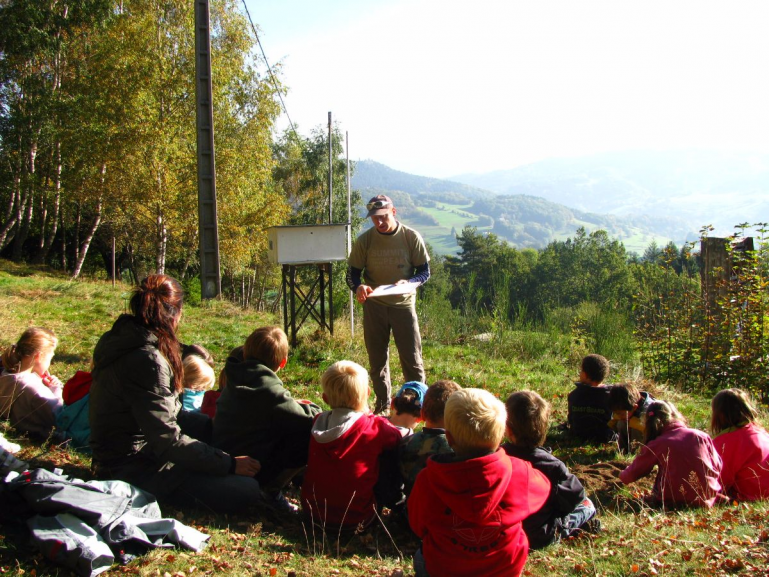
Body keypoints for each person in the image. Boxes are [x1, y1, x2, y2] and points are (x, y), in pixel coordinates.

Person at [89, 274, 262, 514]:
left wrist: (221, 428)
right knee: (247, 489)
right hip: (130, 466)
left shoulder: (124, 338)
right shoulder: (148, 361)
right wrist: (229, 464)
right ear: (175, 313)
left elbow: (169, 413)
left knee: (215, 430)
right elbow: (167, 440)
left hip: (133, 451)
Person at [408, 389, 550, 577]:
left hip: (445, 569)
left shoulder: (428, 480)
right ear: (501, 435)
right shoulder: (520, 471)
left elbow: (418, 525)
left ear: (448, 438)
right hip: (504, 568)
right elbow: (543, 488)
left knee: (420, 555)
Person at [213, 327, 321, 512]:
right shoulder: (269, 389)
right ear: (283, 362)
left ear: (245, 352)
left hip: (223, 454)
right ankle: (270, 491)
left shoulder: (235, 375)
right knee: (306, 434)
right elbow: (308, 418)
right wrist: (312, 407)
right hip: (249, 465)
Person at [346, 194, 431, 413]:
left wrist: (409, 282)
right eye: (375, 218)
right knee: (377, 360)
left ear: (393, 212)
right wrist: (359, 287)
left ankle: (416, 407)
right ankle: (383, 407)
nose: (379, 222)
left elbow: (424, 272)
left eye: (383, 217)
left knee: (412, 359)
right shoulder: (364, 241)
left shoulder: (411, 237)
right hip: (374, 307)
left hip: (403, 306)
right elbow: (352, 274)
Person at [301, 360, 404, 532]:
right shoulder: (374, 427)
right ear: (368, 394)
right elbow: (397, 438)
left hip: (313, 515)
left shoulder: (317, 422)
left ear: (325, 398)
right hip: (358, 519)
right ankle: (399, 505)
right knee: (388, 455)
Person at [503, 390, 599, 550]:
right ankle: (569, 530)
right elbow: (576, 497)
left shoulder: (498, 458)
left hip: (507, 534)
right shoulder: (553, 466)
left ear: (508, 428)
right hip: (542, 537)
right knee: (588, 505)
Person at [619, 400, 724, 508]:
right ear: (674, 415)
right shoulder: (701, 436)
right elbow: (718, 465)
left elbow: (633, 473)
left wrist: (621, 476)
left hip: (673, 500)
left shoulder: (658, 443)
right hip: (706, 497)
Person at [399, 379, 461, 496]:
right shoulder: (458, 451)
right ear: (456, 416)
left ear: (422, 414)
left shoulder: (404, 444)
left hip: (410, 511)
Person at [0, 327, 63, 439]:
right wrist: (56, 389)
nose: (50, 363)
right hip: (42, 432)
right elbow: (61, 416)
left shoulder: (6, 374)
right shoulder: (34, 388)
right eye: (50, 358)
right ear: (38, 356)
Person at [710, 389, 769, 501]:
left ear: (720, 415)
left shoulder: (726, 442)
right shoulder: (763, 434)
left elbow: (717, 483)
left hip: (745, 498)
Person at [567, 354, 615, 443]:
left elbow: (571, 419)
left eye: (581, 371)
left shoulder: (574, 395)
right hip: (605, 437)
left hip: (578, 435)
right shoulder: (611, 396)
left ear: (585, 375)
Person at [607, 383, 655, 454]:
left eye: (621, 414)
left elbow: (653, 431)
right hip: (631, 424)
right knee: (621, 423)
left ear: (634, 407)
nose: (619, 416)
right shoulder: (626, 406)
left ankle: (636, 453)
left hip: (651, 441)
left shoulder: (649, 410)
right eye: (616, 413)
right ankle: (623, 451)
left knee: (635, 428)